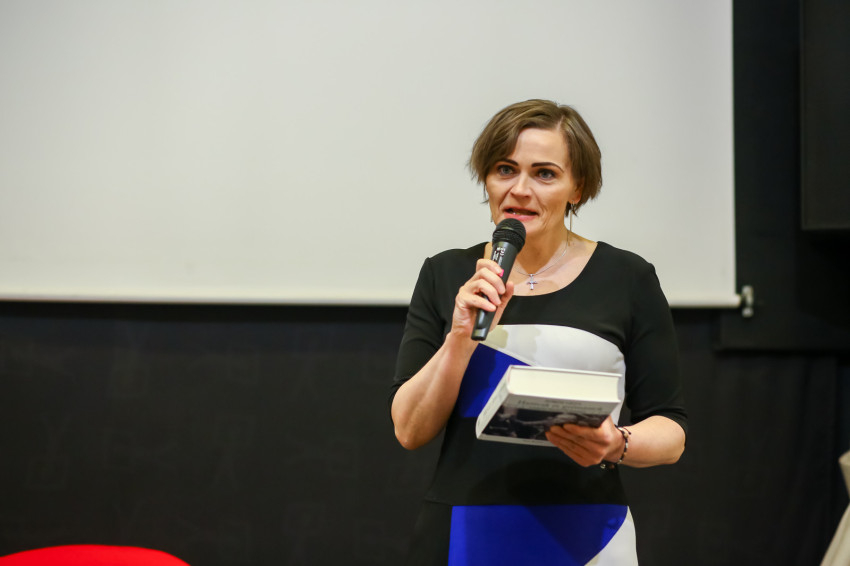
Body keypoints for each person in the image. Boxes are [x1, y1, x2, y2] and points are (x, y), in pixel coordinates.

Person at [389, 99, 687, 565]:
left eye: (544, 174)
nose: (520, 190)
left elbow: (671, 430)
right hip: (467, 533)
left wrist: (617, 444)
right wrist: (461, 337)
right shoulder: (446, 275)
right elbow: (409, 429)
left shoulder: (628, 278)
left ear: (577, 187)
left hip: (588, 538)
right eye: (505, 169)